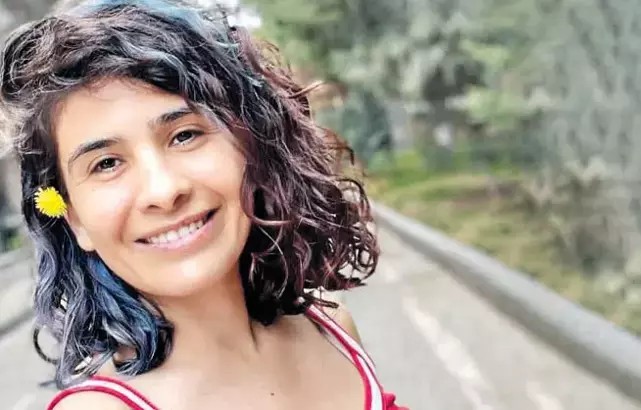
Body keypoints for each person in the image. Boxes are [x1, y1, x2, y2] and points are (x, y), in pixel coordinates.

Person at [0, 0, 407, 408]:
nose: (164, 191)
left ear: (251, 146)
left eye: (185, 135)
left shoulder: (333, 329)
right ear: (74, 220)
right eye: (106, 164)